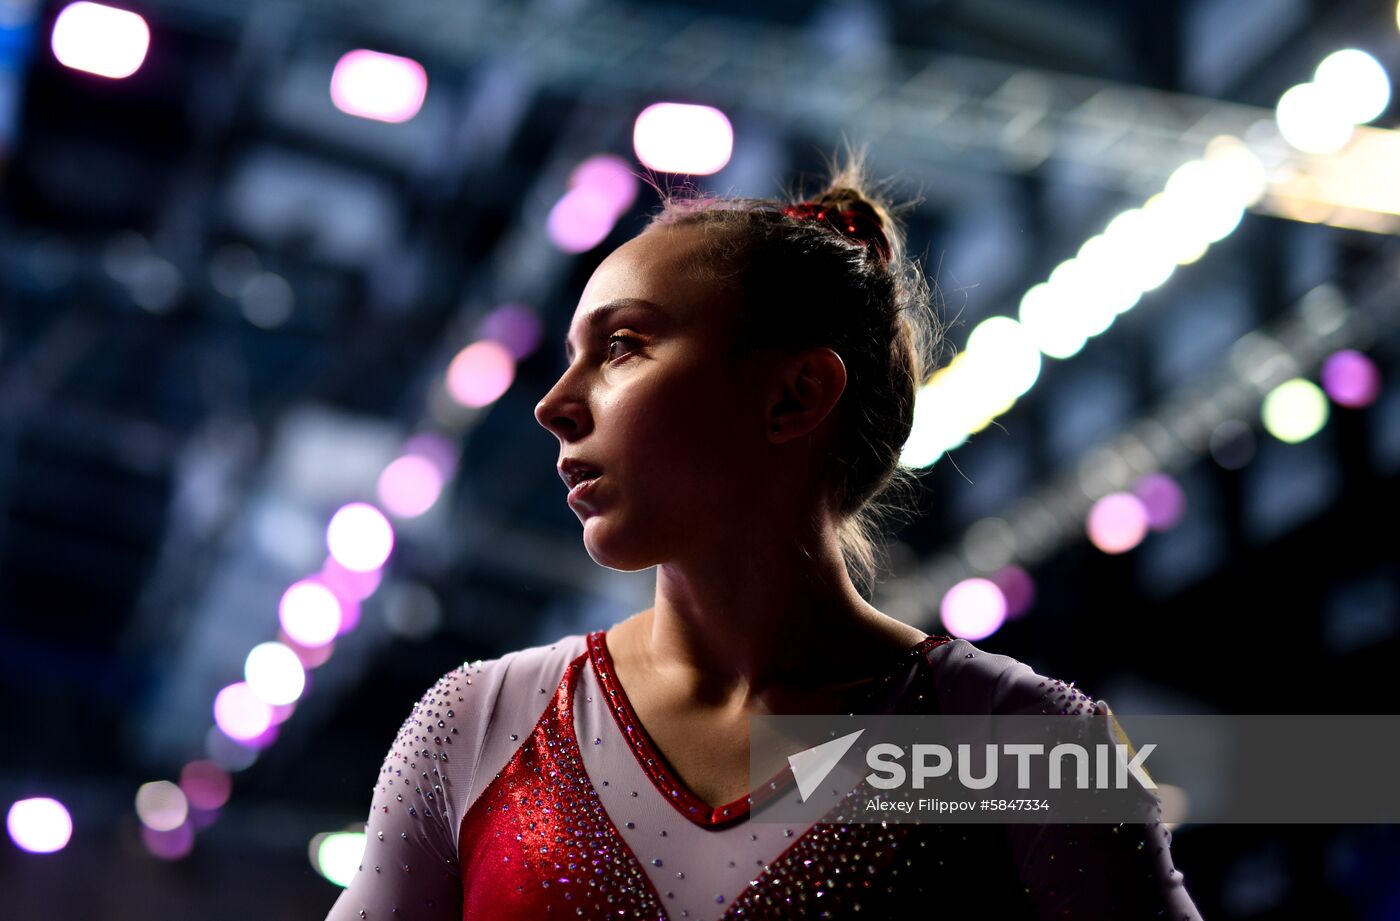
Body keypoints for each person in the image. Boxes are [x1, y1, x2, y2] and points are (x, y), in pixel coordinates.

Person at [325, 152, 1203, 920]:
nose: (553, 404)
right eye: (570, 354)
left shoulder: (1021, 746)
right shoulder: (477, 724)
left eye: (623, 346)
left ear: (793, 396)